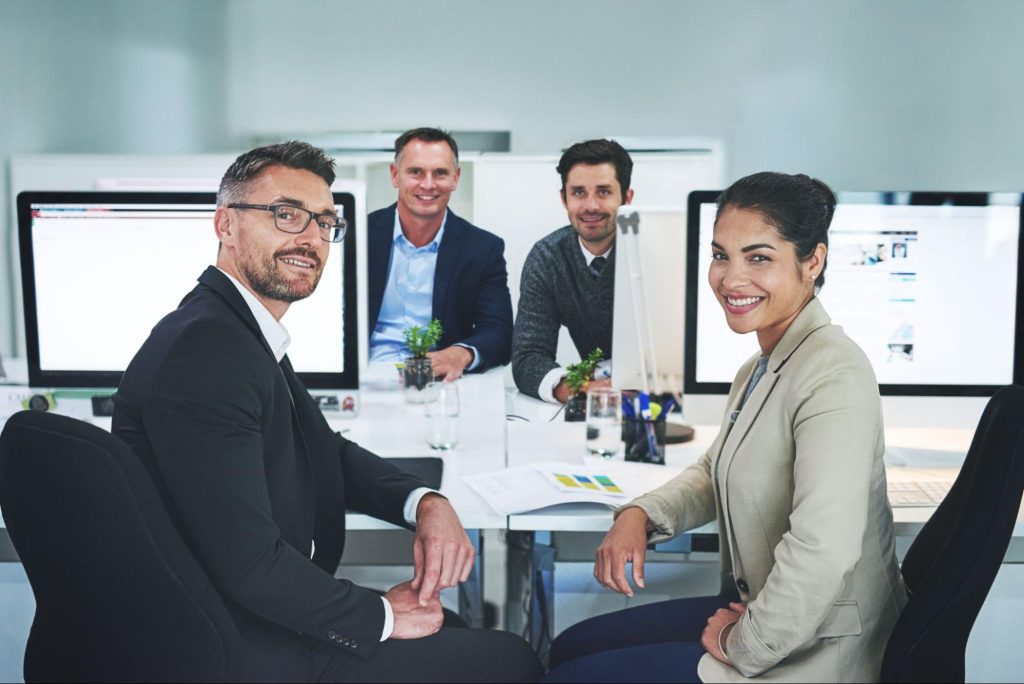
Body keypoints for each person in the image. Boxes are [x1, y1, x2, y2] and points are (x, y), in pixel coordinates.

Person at [112, 141, 541, 683]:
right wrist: (382, 615)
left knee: (453, 627)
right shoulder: (207, 351)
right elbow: (249, 567)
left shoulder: (235, 329)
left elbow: (323, 452)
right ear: (225, 225)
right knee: (512, 661)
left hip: (248, 612)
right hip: (230, 641)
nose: (310, 237)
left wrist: (424, 501)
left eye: (323, 221)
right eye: (285, 215)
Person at [543, 172, 906, 683]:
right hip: (765, 611)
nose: (731, 278)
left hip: (819, 648)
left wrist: (744, 644)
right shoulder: (762, 364)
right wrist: (641, 514)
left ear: (813, 261)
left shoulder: (834, 374)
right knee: (569, 648)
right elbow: (717, 468)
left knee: (566, 677)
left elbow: (824, 549)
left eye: (758, 257)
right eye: (721, 255)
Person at [367, 127, 513, 380]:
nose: (428, 184)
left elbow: (499, 332)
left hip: (441, 381)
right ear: (395, 175)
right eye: (416, 172)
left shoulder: (483, 248)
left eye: (440, 173)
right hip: (366, 375)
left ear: (455, 178)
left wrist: (461, 353)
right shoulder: (357, 235)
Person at [511, 139, 634, 403]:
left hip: (667, 399)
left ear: (627, 198)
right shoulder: (547, 257)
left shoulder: (656, 250)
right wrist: (579, 389)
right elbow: (528, 357)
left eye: (603, 192)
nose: (590, 205)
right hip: (599, 404)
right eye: (578, 192)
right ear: (564, 199)